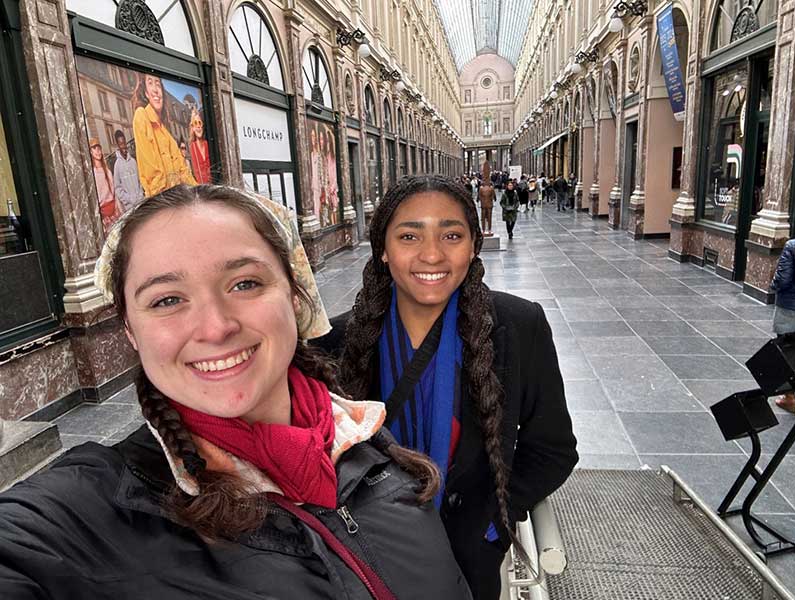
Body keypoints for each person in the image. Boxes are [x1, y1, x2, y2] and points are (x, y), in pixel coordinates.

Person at [0, 184, 472, 599]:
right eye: (167, 300)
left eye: (244, 283)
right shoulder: (91, 510)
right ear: (130, 329)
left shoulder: (366, 442)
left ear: (294, 294)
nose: (216, 326)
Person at [316, 175, 578, 600]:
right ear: (383, 249)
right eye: (409, 235)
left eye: (451, 235)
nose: (432, 254)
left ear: (473, 245)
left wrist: (494, 516)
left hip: (469, 562)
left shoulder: (518, 327)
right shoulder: (337, 343)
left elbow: (553, 450)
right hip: (369, 562)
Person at [131, 74, 197, 196]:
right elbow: (153, 173)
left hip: (176, 199)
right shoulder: (141, 116)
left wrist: (198, 193)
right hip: (163, 201)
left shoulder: (165, 133)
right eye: (150, 83)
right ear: (146, 93)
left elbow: (183, 171)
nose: (156, 89)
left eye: (158, 84)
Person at [770, 238, 795, 416]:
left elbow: (783, 279)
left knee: (787, 353)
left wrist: (773, 286)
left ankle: (789, 397)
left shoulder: (794, 246)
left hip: (792, 307)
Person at [89, 137, 120, 231]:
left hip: (115, 213)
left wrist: (117, 208)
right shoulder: (92, 174)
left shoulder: (107, 171)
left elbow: (114, 193)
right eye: (94, 148)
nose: (98, 151)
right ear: (90, 152)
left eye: (99, 148)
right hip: (103, 216)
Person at [112, 130, 145, 213]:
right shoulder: (117, 165)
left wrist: (140, 195)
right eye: (120, 144)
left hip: (141, 202)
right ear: (117, 145)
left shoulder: (133, 161)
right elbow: (118, 188)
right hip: (129, 208)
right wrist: (129, 199)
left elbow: (140, 180)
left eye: (124, 143)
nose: (123, 146)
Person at [189, 109, 212, 184]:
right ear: (192, 128)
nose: (198, 126)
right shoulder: (192, 147)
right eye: (195, 123)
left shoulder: (208, 144)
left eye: (200, 123)